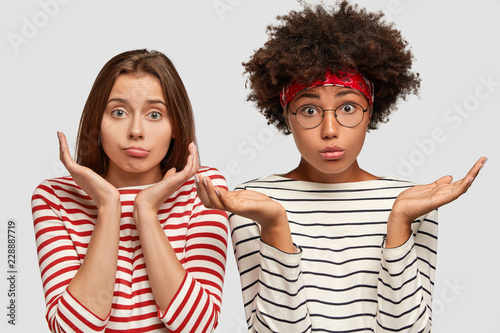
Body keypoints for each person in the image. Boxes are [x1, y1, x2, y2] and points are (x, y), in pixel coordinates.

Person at [195, 2, 487, 332]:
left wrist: (400, 222)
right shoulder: (254, 201)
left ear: (371, 110)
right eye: (309, 110)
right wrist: (274, 224)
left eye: (348, 107)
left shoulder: (413, 201)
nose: (330, 130)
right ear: (286, 116)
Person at [31, 49, 229, 332]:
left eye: (154, 114)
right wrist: (109, 206)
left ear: (175, 125)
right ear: (97, 122)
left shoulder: (202, 188)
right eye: (119, 112)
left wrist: (146, 211)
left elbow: (198, 325)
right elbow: (73, 328)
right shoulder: (55, 197)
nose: (136, 130)